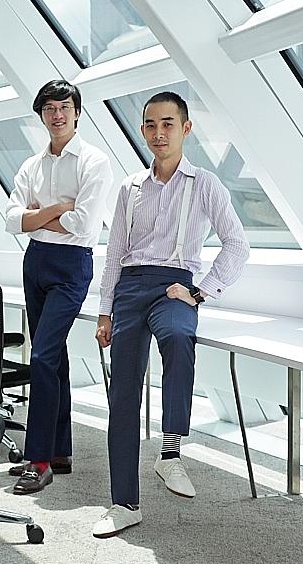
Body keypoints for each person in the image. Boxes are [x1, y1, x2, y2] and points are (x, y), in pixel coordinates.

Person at [92, 91, 249, 538]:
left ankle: (171, 452)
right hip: (129, 288)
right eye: (150, 125)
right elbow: (115, 254)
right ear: (143, 130)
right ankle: (124, 503)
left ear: (185, 129)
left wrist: (202, 291)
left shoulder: (205, 185)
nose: (158, 133)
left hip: (175, 287)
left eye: (167, 124)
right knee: (123, 396)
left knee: (180, 338)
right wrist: (105, 311)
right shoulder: (130, 188)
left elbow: (237, 244)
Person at [1, 79, 112, 494]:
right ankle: (61, 450)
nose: (57, 114)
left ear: (77, 111)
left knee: (43, 356)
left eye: (64, 106)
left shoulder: (94, 161)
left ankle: (39, 458)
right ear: (41, 115)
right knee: (55, 357)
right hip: (36, 262)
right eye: (49, 108)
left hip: (71, 266)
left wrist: (36, 215)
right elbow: (12, 219)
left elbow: (84, 224)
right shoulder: (32, 165)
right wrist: (56, 210)